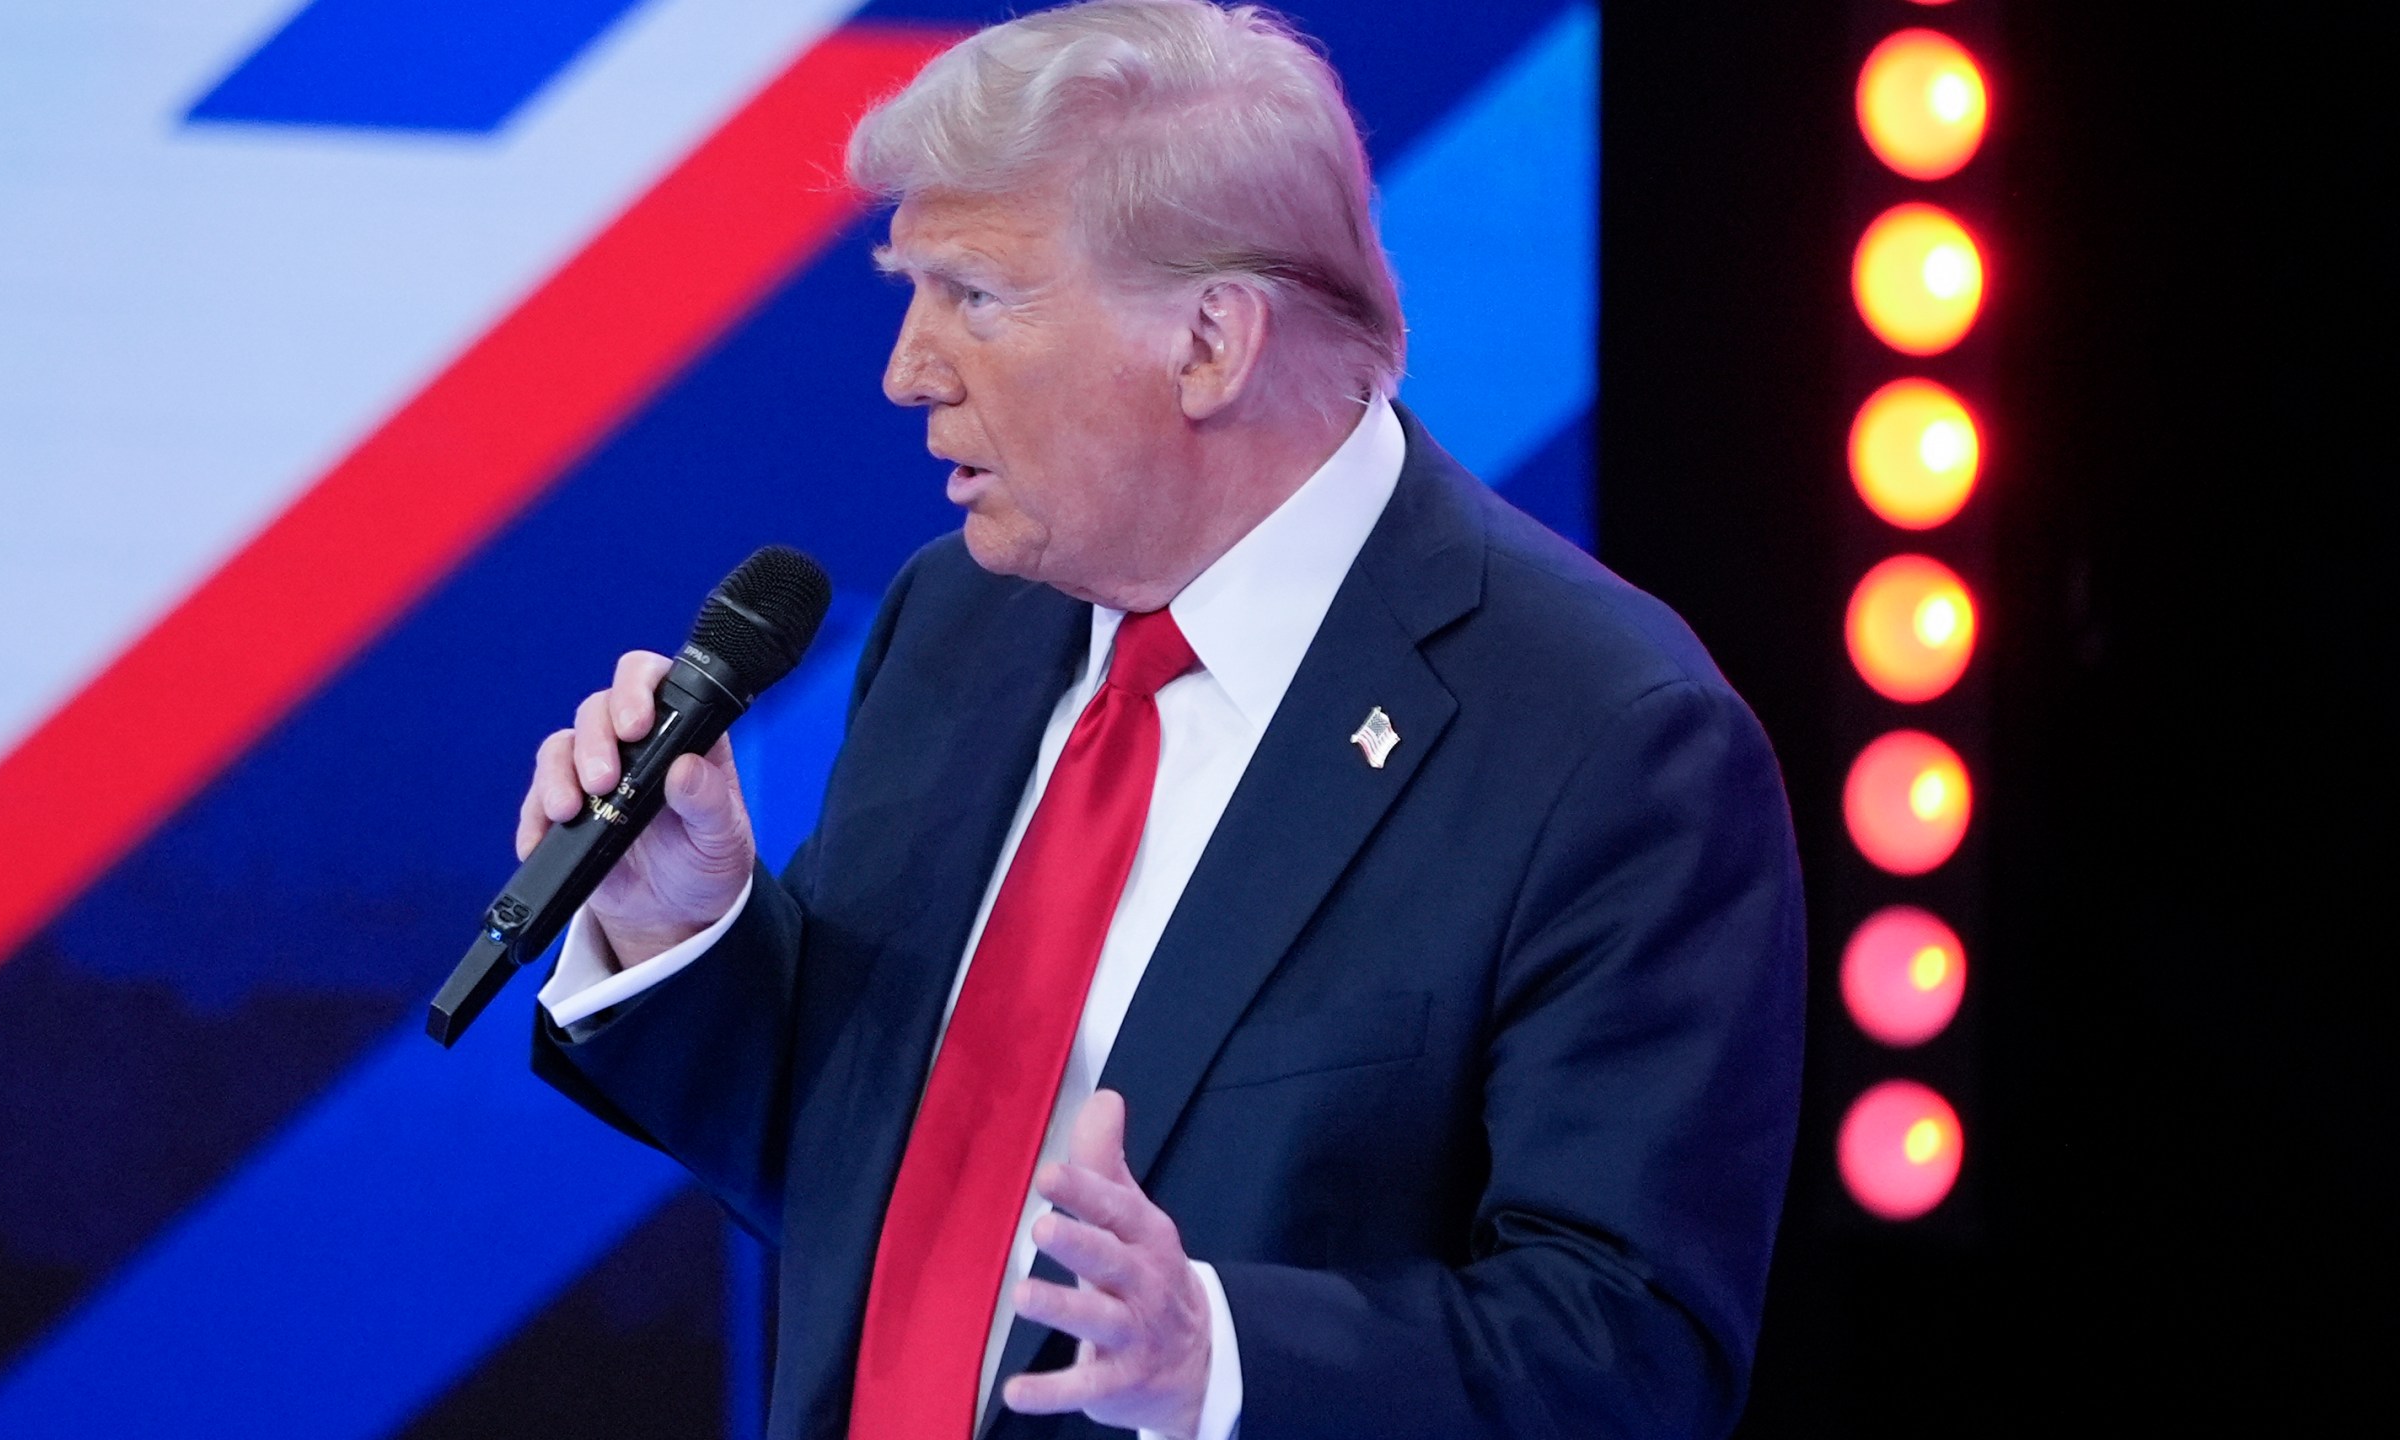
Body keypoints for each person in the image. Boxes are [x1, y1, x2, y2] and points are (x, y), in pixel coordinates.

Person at [523, 3, 1803, 1437]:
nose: (908, 369)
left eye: (975, 297)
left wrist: (1224, 1359)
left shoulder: (1608, 742)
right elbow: (872, 1192)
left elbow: (1630, 1357)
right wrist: (685, 929)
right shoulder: (962, 620)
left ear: (1210, 341)